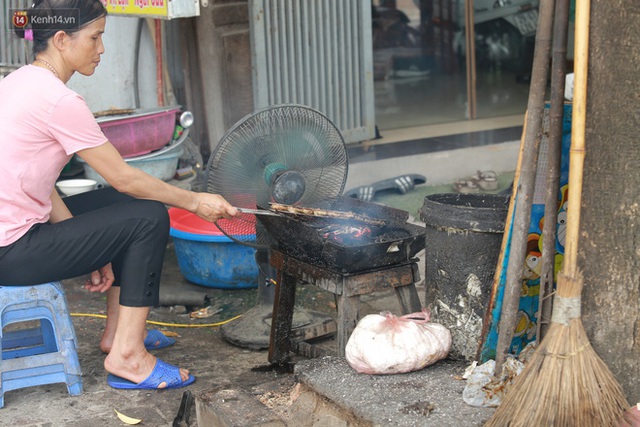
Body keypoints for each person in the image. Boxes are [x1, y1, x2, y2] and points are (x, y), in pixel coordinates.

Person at [0, 0, 239, 390]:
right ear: (61, 39)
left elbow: (38, 186)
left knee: (126, 206)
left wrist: (88, 243)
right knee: (149, 216)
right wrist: (195, 201)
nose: (101, 48)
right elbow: (125, 176)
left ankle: (119, 333)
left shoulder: (18, 82)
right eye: (95, 37)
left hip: (13, 238)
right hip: (12, 251)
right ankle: (127, 356)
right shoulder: (59, 101)